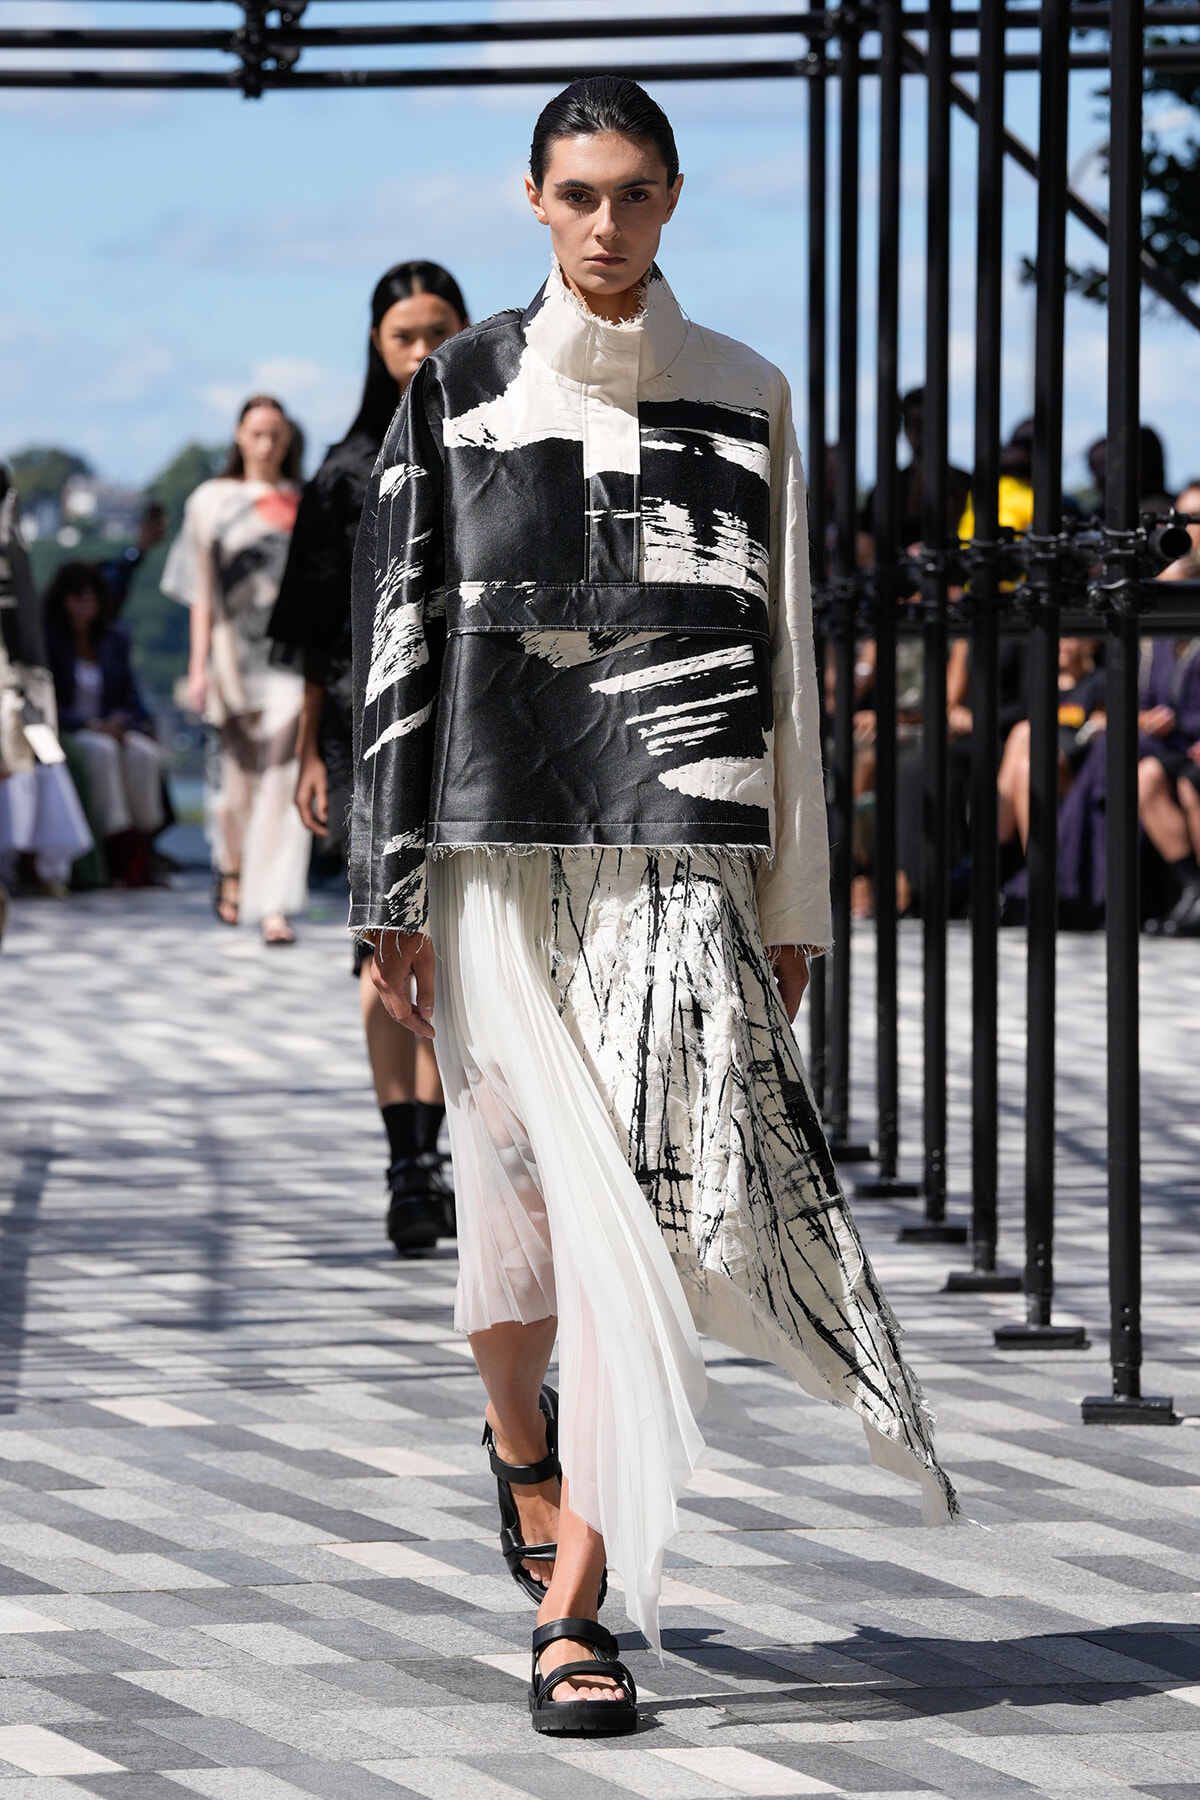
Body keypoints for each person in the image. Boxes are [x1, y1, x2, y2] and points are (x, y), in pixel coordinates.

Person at [351, 76, 956, 1738]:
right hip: (493, 856)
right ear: (532, 199)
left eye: (634, 192)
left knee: (639, 1233)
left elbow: (785, 658)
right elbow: (398, 632)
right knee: (515, 1236)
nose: (607, 224)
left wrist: (793, 894)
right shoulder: (461, 388)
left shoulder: (747, 393)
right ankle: (519, 1443)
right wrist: (386, 888)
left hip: (682, 859)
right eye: (579, 193)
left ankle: (579, 1610)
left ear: (674, 197)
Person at [270, 262, 469, 1252]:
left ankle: (439, 1150)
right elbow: (310, 628)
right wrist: (309, 752)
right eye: (405, 336)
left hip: (471, 716)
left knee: (457, 941)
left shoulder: (499, 444)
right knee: (382, 934)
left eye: (440, 330)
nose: (424, 350)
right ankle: (408, 1160)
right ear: (377, 346)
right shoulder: (345, 470)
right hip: (365, 725)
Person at [162, 396, 309, 945]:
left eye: (276, 433)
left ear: (288, 437)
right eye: (257, 432)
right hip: (230, 657)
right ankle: (232, 869)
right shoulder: (211, 502)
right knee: (232, 788)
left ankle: (275, 904)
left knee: (282, 779)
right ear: (239, 435)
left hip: (288, 661)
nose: (266, 444)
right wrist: (198, 665)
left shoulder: (304, 501)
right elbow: (201, 591)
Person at [0, 467, 93, 897]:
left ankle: (30, 862)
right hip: (20, 666)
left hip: (19, 669)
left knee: (29, 758)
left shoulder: (9, 521)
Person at [43, 562, 166, 887]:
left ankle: (143, 841)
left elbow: (130, 697)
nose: (85, 601)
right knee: (101, 752)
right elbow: (48, 702)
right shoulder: (49, 642)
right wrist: (92, 724)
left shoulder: (114, 641)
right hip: (73, 730)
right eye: (77, 594)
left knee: (144, 754)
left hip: (114, 729)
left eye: (91, 594)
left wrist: (121, 722)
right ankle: (116, 844)